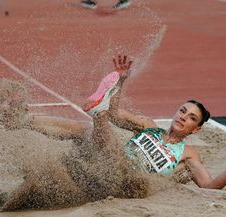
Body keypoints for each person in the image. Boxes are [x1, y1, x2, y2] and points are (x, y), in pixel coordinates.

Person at [32, 55, 226, 190]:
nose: (183, 116)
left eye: (191, 117)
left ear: (196, 129)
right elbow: (115, 115)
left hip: (129, 182)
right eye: (182, 111)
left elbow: (209, 186)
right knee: (87, 130)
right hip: (105, 165)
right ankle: (23, 120)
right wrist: (121, 81)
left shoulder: (189, 154)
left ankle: (99, 111)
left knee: (110, 144)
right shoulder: (148, 126)